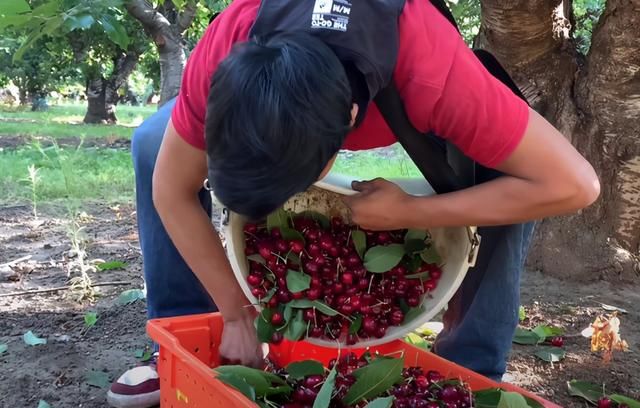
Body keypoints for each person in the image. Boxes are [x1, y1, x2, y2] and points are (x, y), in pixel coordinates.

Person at [106, 0, 600, 406]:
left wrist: (412, 213)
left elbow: (573, 184)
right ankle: (177, 335)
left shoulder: (433, 71)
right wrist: (235, 313)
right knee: (154, 143)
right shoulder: (228, 42)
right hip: (286, 78)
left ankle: (468, 372)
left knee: (501, 174)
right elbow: (171, 189)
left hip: (401, 75)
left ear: (350, 119)